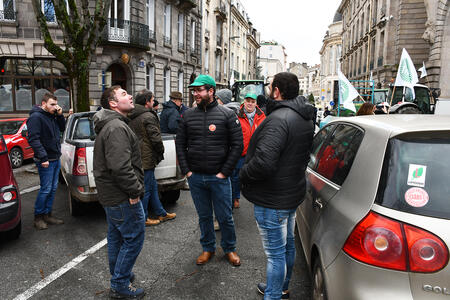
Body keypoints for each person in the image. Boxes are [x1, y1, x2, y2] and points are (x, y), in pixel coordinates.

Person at [240, 72, 316, 300]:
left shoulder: (279, 119)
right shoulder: (303, 116)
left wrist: (243, 174)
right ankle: (282, 286)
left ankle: (273, 295)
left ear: (277, 91)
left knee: (276, 254)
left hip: (273, 198)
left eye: (270, 86)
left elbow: (264, 162)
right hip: (290, 192)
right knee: (286, 247)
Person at [176, 74, 243, 267]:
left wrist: (224, 172)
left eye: (199, 90)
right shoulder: (188, 115)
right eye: (194, 90)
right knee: (204, 216)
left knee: (225, 217)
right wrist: (187, 171)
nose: (195, 93)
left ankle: (230, 249)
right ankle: (208, 248)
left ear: (211, 91)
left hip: (219, 178)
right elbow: (180, 144)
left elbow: (237, 145)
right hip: (196, 177)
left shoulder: (227, 114)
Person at [93, 86, 146, 299]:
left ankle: (119, 275)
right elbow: (120, 167)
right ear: (113, 104)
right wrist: (135, 191)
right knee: (134, 238)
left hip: (112, 196)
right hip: (122, 196)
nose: (130, 95)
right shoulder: (116, 127)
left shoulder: (113, 125)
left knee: (116, 237)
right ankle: (120, 283)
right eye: (124, 94)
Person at [128, 90, 176, 226]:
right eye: (152, 99)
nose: (154, 101)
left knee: (152, 186)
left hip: (137, 155)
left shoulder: (131, 113)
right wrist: (161, 151)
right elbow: (155, 138)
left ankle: (161, 213)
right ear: (147, 101)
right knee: (147, 189)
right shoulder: (148, 116)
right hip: (147, 157)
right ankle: (142, 218)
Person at [27, 93, 66, 230]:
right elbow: (33, 139)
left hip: (55, 157)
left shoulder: (52, 115)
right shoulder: (36, 117)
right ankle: (38, 217)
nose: (55, 107)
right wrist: (43, 157)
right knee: (45, 189)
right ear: (43, 104)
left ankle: (47, 215)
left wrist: (60, 115)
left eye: (56, 104)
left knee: (53, 188)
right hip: (46, 160)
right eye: (52, 104)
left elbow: (62, 128)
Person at [231, 92, 266, 209]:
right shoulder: (237, 115)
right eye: (248, 101)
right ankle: (235, 197)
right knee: (236, 177)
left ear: (256, 104)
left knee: (255, 177)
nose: (250, 104)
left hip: (255, 154)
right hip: (240, 153)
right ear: (244, 102)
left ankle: (257, 199)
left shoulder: (262, 116)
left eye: (252, 102)